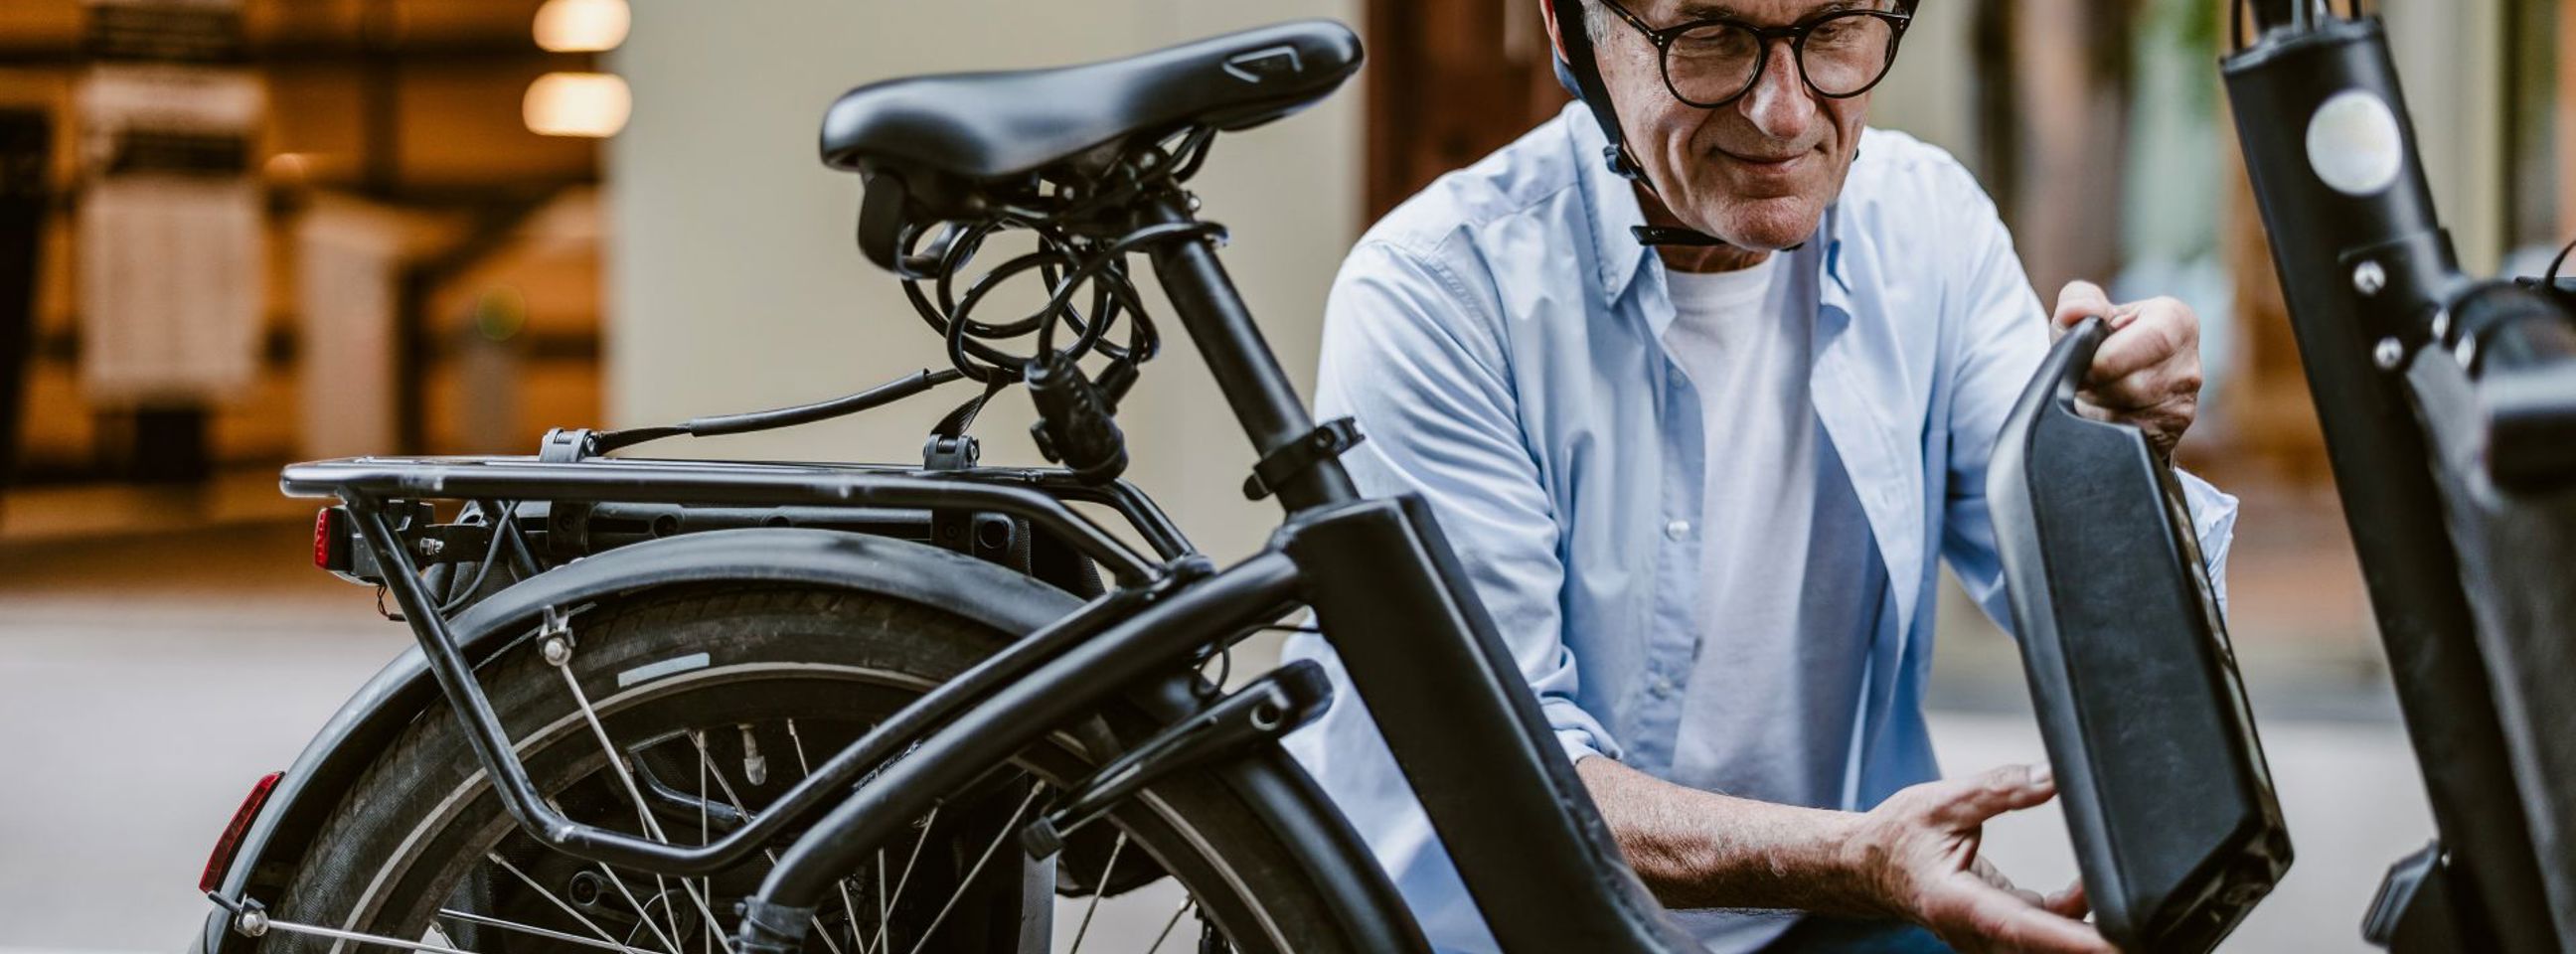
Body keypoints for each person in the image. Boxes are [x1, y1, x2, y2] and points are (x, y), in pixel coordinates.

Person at [1278, 1, 2234, 952]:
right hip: (1494, 928)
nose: (1784, 113)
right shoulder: (1434, 294)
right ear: (1572, 34)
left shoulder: (1928, 227)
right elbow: (1508, 776)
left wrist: (2122, 462)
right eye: (1709, 38)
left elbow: (2102, 617)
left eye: (1833, 32)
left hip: (1818, 908)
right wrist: (1858, 859)